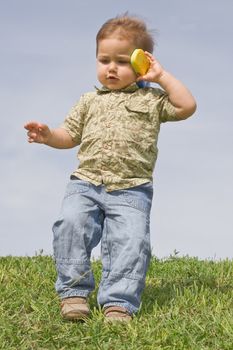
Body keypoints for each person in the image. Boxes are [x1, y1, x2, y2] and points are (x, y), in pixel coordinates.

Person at [24, 14, 196, 322]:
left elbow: (186, 106)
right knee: (70, 225)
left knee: (130, 242)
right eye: (104, 60)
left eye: (122, 61)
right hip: (85, 183)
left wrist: (162, 77)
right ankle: (74, 293)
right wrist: (49, 136)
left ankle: (118, 302)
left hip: (132, 188)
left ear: (142, 64)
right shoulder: (88, 101)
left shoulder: (152, 100)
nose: (111, 68)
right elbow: (70, 135)